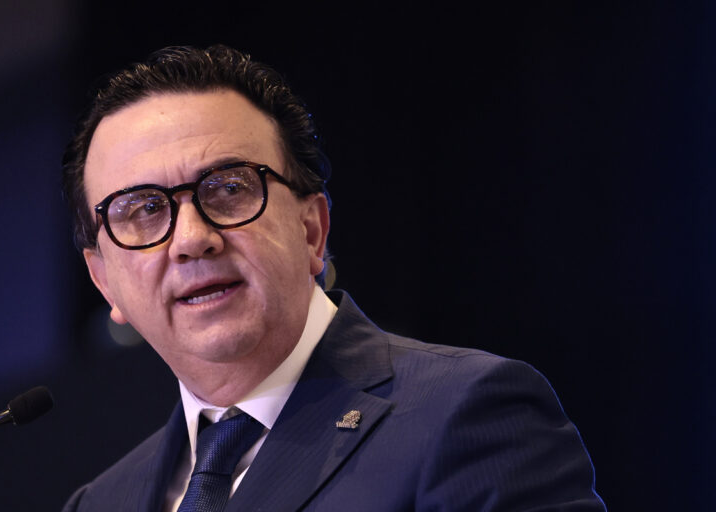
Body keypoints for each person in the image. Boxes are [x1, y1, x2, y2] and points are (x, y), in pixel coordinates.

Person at [61, 44, 605, 511]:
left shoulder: (468, 416)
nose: (191, 238)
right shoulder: (99, 502)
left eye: (229, 189)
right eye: (143, 210)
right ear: (105, 282)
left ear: (311, 231)